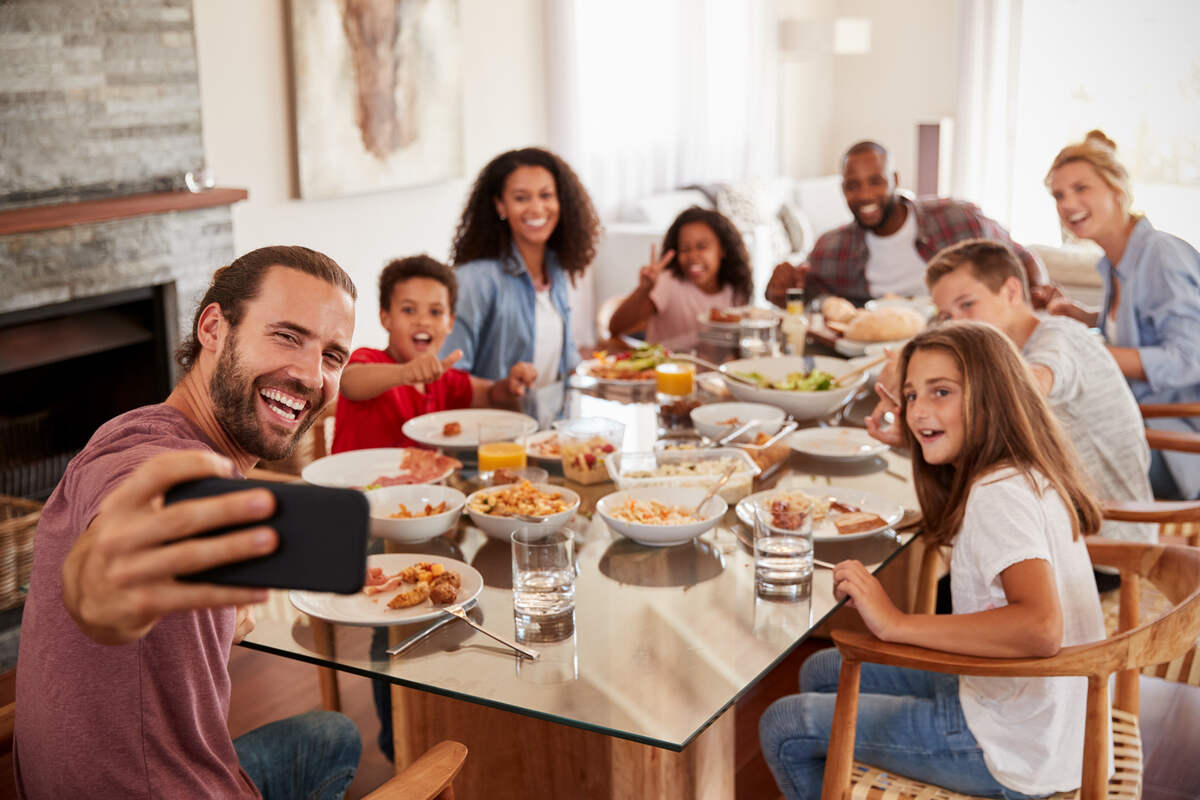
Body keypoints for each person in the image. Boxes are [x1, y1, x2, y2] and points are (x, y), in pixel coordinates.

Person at [14, 247, 363, 799]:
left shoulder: (131, 426)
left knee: (331, 733)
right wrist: (108, 582)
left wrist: (221, 617)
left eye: (333, 355)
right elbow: (111, 557)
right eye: (287, 336)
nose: (310, 375)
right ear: (214, 328)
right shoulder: (153, 463)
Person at [760, 321, 1105, 799]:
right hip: (1046, 717)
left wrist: (895, 623)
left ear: (994, 396)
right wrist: (921, 442)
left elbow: (1039, 628)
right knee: (823, 670)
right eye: (911, 397)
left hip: (1015, 750)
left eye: (940, 392)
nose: (919, 410)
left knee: (784, 725)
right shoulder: (1015, 470)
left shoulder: (997, 494)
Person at [868, 238, 1155, 552]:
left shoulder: (1059, 337)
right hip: (1053, 525)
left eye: (967, 305)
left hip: (1103, 543)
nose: (957, 323)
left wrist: (915, 368)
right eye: (947, 316)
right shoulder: (1005, 355)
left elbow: (1029, 385)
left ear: (1012, 292)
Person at [1040, 130, 1200, 500]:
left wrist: (1093, 355)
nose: (1068, 203)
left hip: (1177, 444)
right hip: (1138, 424)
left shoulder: (1160, 255)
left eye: (1082, 188)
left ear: (1117, 189)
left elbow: (1190, 358)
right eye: (1059, 195)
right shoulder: (1116, 261)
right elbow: (1145, 324)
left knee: (1036, 453)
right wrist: (1088, 318)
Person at [765, 140, 1046, 307]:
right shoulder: (832, 247)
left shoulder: (957, 219)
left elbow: (1022, 258)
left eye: (876, 182)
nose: (864, 196)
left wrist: (1035, 298)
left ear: (895, 180)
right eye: (853, 186)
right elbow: (801, 297)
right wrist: (779, 289)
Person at [331, 254, 538, 452]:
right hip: (353, 488)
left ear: (450, 322)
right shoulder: (370, 360)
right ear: (385, 318)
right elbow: (349, 382)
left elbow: (491, 393)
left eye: (435, 312)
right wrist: (404, 374)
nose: (423, 321)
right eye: (409, 310)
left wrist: (510, 385)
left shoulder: (443, 379)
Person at [442, 146, 601, 387]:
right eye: (521, 198)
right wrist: (500, 392)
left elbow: (568, 365)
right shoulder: (473, 280)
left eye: (546, 195)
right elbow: (449, 375)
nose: (537, 208)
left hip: (551, 421)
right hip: (491, 423)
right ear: (500, 206)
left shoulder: (555, 268)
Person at [608, 206, 754, 346]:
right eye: (684, 249)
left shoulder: (735, 291)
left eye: (702, 246)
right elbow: (616, 327)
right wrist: (643, 289)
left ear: (723, 249)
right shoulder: (668, 283)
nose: (692, 256)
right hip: (666, 369)